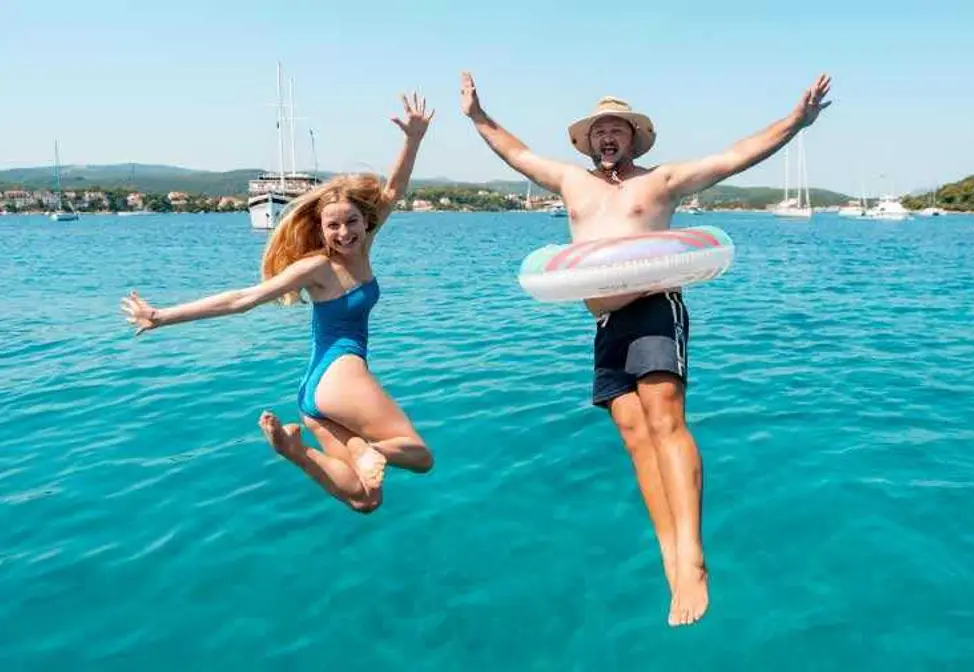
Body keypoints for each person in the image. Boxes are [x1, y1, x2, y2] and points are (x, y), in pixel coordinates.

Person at [460, 71, 832, 626]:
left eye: (617, 129)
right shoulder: (570, 182)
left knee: (665, 421)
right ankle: (670, 555)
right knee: (635, 437)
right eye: (599, 131)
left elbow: (736, 156)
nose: (607, 137)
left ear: (633, 137)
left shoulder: (662, 181)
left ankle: (695, 557)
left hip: (656, 307)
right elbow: (516, 153)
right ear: (589, 142)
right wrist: (477, 116)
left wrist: (796, 121)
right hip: (605, 321)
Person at [121, 92, 437, 513]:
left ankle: (294, 450)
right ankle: (371, 450)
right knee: (418, 454)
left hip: (314, 394)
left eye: (352, 222)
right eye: (333, 226)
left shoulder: (363, 246)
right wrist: (161, 316)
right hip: (341, 377)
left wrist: (413, 139)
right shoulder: (317, 267)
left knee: (366, 499)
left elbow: (394, 189)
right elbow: (244, 298)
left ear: (366, 221)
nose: (344, 233)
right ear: (321, 230)